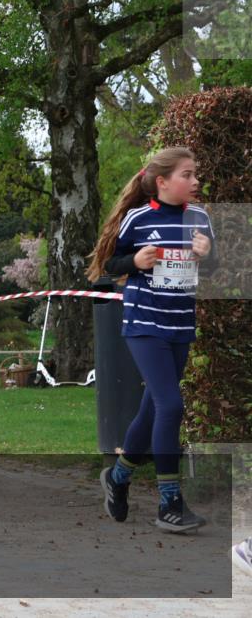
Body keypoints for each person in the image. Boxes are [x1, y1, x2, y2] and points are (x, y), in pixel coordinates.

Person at [88, 147, 216, 532]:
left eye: (196, 175)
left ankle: (118, 477)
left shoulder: (201, 219)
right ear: (162, 182)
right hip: (144, 324)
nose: (196, 182)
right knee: (170, 405)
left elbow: (212, 268)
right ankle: (169, 502)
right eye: (188, 175)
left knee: (151, 410)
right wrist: (135, 263)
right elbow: (108, 264)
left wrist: (208, 255)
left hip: (180, 325)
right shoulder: (138, 218)